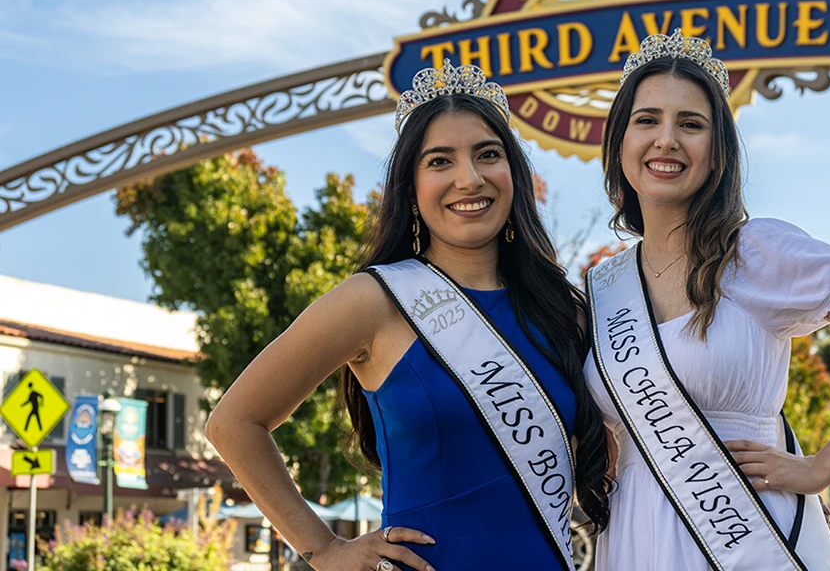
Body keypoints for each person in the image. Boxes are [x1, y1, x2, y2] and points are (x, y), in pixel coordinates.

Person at [207, 60, 611, 571]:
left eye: (488, 155)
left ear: (513, 172)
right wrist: (324, 549)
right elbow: (234, 423)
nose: (469, 178)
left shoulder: (564, 310)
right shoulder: (374, 301)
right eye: (440, 161)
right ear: (412, 187)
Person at [584, 30, 830, 570]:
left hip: (749, 534)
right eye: (647, 120)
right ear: (620, 143)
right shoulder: (604, 288)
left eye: (691, 124)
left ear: (717, 152)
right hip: (636, 536)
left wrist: (820, 469)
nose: (666, 139)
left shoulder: (756, 251)